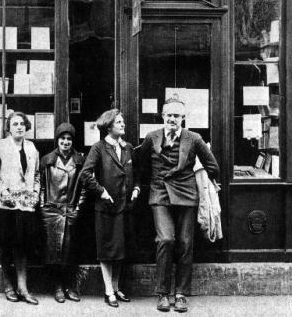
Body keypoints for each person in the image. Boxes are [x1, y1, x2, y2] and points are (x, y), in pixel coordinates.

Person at [138, 96, 219, 313]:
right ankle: (163, 293)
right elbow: (140, 165)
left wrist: (204, 183)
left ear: (183, 118)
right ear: (163, 116)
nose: (172, 119)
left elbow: (213, 166)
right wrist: (138, 186)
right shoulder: (151, 137)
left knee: (185, 243)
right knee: (165, 239)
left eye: (177, 115)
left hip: (186, 194)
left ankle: (181, 294)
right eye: (169, 115)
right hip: (160, 193)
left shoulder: (193, 138)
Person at [79, 109, 140, 308]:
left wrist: (137, 188)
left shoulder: (128, 147)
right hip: (106, 208)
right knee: (107, 250)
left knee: (121, 249)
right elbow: (86, 175)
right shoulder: (98, 148)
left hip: (125, 208)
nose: (123, 124)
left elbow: (137, 173)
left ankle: (116, 288)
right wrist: (102, 191)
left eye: (123, 121)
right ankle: (108, 291)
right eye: (119, 122)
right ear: (109, 126)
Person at [0, 111, 40, 305]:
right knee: (6, 247)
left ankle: (23, 288)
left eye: (22, 124)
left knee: (23, 247)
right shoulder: (0, 146)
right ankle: (8, 285)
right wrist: (4, 192)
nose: (19, 127)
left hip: (25, 207)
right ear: (8, 128)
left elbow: (37, 175)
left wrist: (35, 194)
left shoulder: (32, 148)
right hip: (5, 206)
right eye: (15, 124)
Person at [39, 122, 87, 303]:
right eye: (62, 139)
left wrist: (78, 207)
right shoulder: (47, 160)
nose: (65, 142)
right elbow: (42, 186)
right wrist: (43, 207)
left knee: (70, 250)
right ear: (57, 140)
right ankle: (57, 286)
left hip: (71, 210)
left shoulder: (80, 161)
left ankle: (69, 286)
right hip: (52, 210)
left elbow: (84, 187)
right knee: (53, 251)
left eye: (69, 139)